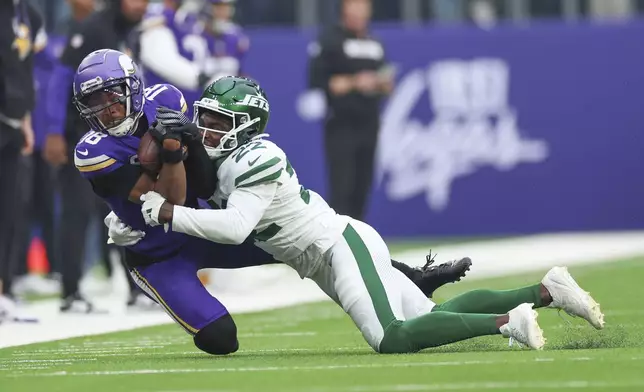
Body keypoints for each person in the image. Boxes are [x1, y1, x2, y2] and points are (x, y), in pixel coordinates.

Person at [139, 76, 606, 353]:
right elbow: (198, 175)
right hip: (322, 256)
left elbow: (236, 228)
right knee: (428, 313)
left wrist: (166, 214)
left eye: (219, 122)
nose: (206, 129)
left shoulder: (256, 157)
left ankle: (508, 323)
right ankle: (546, 291)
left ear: (246, 127)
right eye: (205, 117)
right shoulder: (221, 156)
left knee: (392, 338)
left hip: (337, 246)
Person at [75, 49, 466, 355]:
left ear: (132, 87)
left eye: (111, 96)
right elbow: (170, 199)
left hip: (201, 222)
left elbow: (202, 180)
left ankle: (411, 276)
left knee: (297, 236)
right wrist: (174, 151)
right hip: (155, 250)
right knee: (220, 340)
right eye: (94, 101)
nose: (105, 108)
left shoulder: (166, 98)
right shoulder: (93, 151)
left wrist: (190, 142)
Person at [44, 0, 149, 312]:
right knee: (76, 212)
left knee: (127, 207)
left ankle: (138, 286)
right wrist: (53, 131)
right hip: (82, 136)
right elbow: (62, 78)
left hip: (118, 135)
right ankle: (71, 291)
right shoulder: (93, 28)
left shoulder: (133, 30)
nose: (140, 4)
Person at [308, 0, 393, 221]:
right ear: (345, 10)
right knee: (342, 186)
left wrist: (380, 83)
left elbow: (387, 82)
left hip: (369, 121)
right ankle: (338, 240)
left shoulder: (374, 42)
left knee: (362, 185)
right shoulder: (330, 40)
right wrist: (357, 81)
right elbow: (322, 82)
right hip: (341, 122)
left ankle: (360, 238)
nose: (359, 13)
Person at [0, 0, 43, 320]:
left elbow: (24, 66)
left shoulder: (29, 13)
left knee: (9, 208)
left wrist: (26, 117)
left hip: (14, 120)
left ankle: (4, 288)